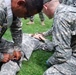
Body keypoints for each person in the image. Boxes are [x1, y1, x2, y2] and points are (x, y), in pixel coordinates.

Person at [0, 0, 44, 74]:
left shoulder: (14, 9)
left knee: (15, 53)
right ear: (20, 3)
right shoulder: (1, 9)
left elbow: (16, 29)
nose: (26, 18)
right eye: (27, 14)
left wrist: (17, 48)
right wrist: (1, 57)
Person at [38, 0, 76, 75]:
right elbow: (57, 28)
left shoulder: (60, 17)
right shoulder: (68, 10)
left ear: (45, 7)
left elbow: (62, 54)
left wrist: (49, 62)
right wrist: (44, 34)